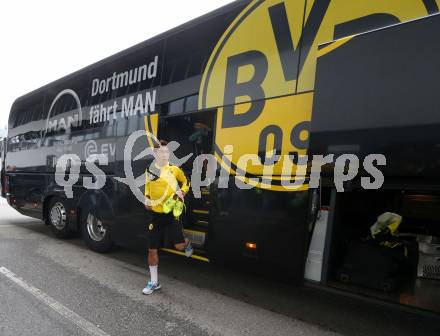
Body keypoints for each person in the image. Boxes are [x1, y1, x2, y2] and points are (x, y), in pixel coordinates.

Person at [143, 139, 193, 295]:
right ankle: (154, 282)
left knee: (178, 246)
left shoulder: (174, 169)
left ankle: (187, 243)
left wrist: (182, 192)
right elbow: (147, 188)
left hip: (172, 213)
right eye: (161, 152)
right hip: (156, 215)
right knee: (152, 249)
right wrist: (147, 199)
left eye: (166, 152)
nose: (164, 155)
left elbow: (186, 182)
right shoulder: (149, 170)